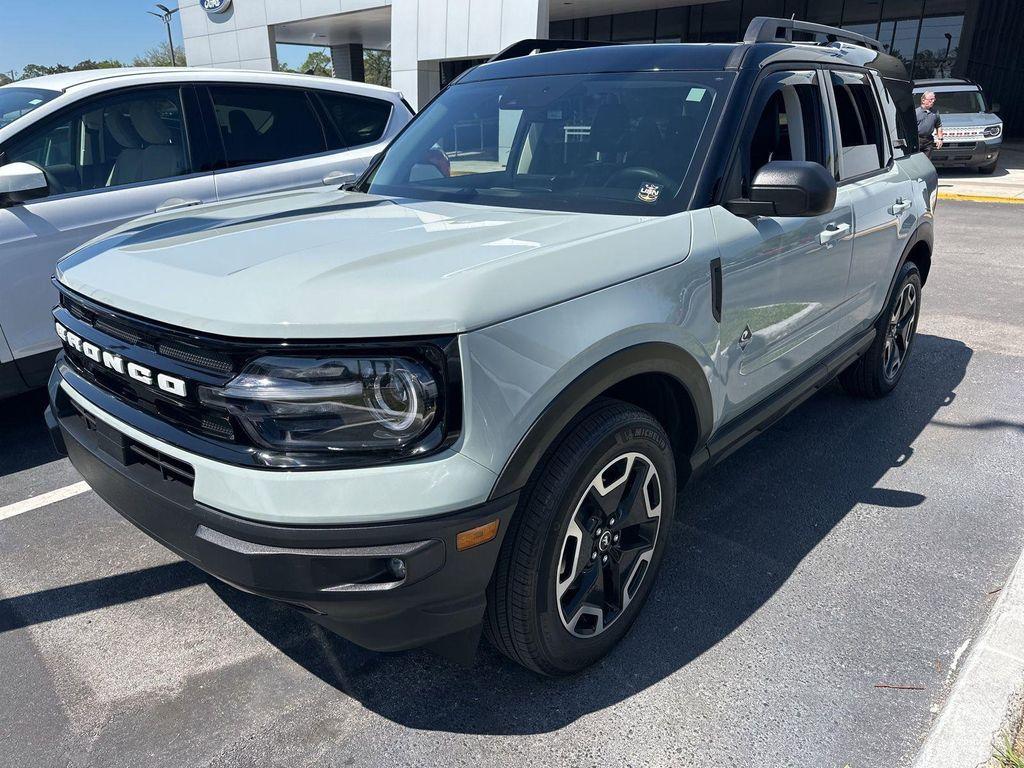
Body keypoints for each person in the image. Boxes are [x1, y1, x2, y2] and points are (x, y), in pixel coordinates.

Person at [916, 91, 944, 157]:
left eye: (934, 99)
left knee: (927, 161)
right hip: (917, 140)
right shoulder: (916, 112)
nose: (933, 101)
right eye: (931, 99)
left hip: (928, 141)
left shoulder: (935, 112)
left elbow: (938, 126)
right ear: (923, 100)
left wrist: (940, 139)